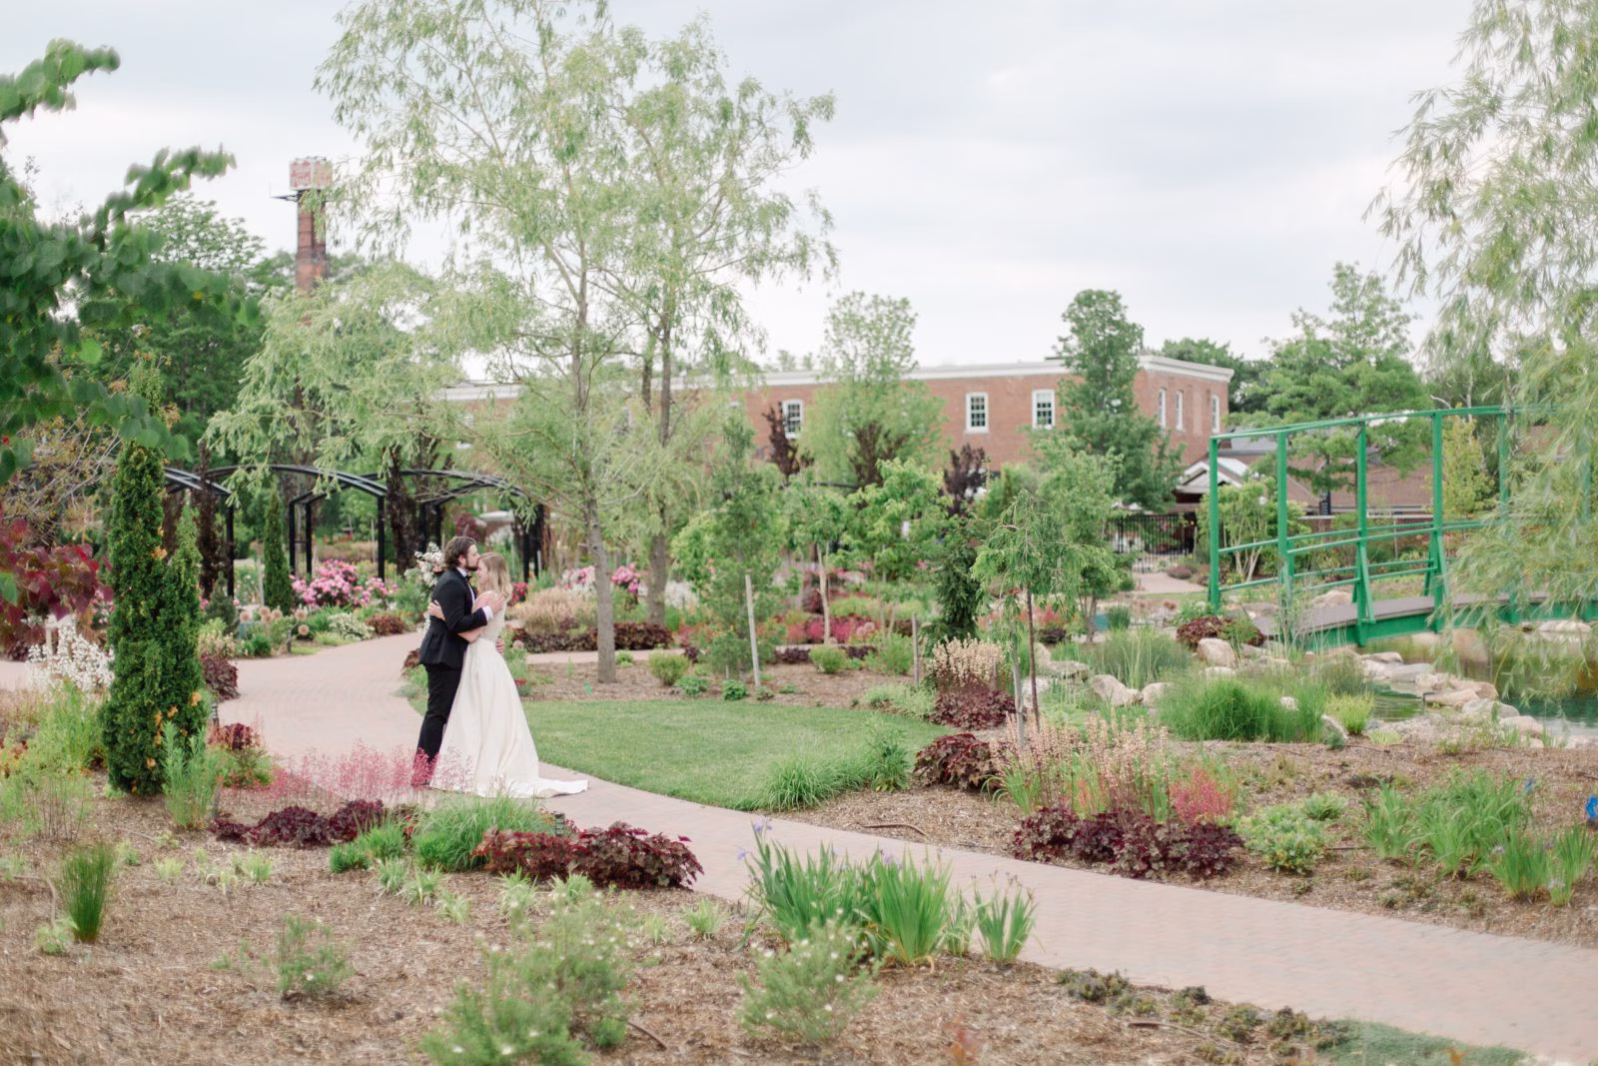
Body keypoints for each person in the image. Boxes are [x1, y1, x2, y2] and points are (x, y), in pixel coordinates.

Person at [428, 552, 587, 799]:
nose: (477, 572)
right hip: (488, 656)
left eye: (481, 569)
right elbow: (486, 630)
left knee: (475, 714)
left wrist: (443, 615)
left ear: (491, 572)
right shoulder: (495, 596)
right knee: (485, 714)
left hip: (481, 659)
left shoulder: (488, 598)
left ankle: (473, 771)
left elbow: (471, 634)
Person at [413, 536, 501, 787]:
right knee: (437, 714)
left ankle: (434, 771)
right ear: (461, 558)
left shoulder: (461, 581)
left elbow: (456, 621)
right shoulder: (452, 582)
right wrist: (488, 612)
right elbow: (456, 624)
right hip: (442, 657)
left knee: (444, 714)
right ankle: (422, 773)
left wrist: (490, 639)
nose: (477, 556)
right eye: (473, 553)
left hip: (450, 655)